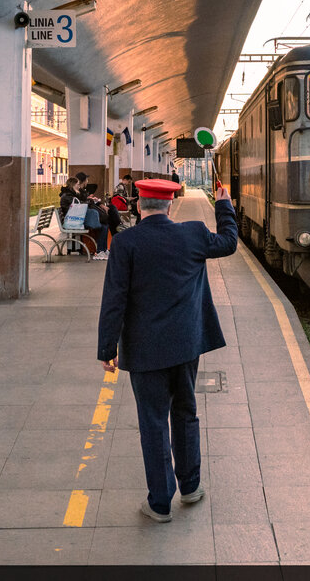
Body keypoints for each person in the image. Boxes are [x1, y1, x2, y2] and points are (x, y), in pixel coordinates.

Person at [97, 178, 237, 523]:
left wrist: (107, 348)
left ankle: (160, 503)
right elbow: (229, 242)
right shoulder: (193, 233)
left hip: (145, 351)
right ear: (170, 205)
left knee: (153, 422)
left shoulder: (126, 242)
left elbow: (114, 299)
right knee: (186, 412)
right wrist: (224, 204)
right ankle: (190, 487)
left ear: (139, 206)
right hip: (187, 345)